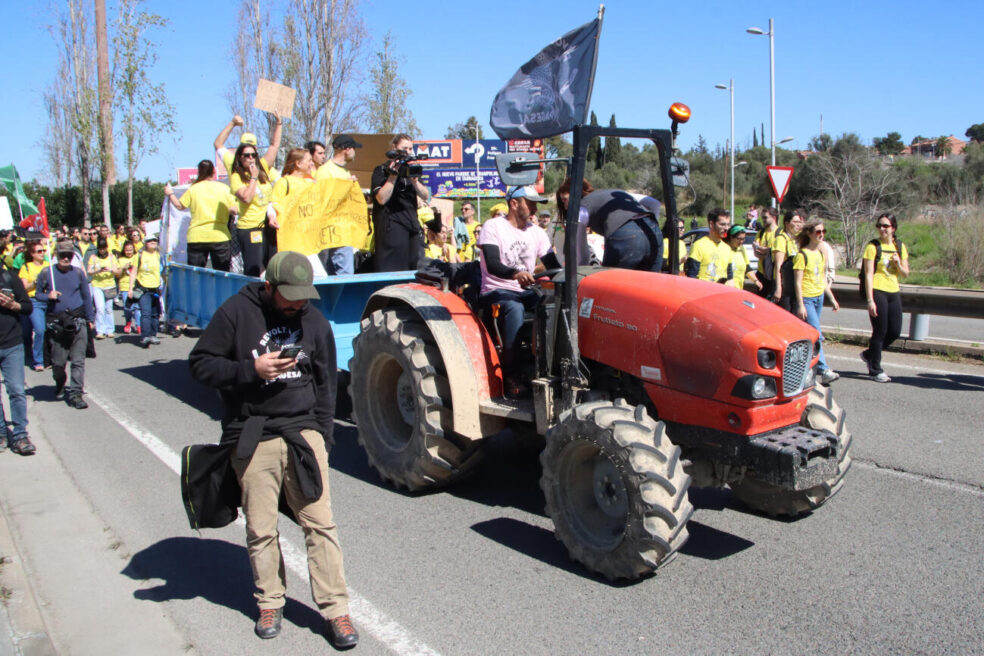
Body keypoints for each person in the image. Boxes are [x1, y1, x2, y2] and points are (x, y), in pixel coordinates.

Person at [188, 251, 358, 648]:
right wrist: (251, 371)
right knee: (261, 528)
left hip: (304, 435)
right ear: (269, 287)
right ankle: (270, 601)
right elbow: (200, 364)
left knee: (320, 524)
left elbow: (326, 384)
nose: (299, 304)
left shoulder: (313, 321)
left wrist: (324, 437)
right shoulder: (236, 312)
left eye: (304, 297)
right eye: (291, 297)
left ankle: (336, 611)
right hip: (254, 435)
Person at [478, 185, 561, 397]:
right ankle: (511, 374)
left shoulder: (536, 232)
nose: (534, 209)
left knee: (555, 303)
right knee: (514, 309)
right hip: (497, 290)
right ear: (514, 204)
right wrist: (516, 274)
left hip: (526, 290)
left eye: (535, 205)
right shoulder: (493, 226)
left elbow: (553, 265)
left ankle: (550, 365)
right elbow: (493, 264)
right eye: (530, 204)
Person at [34, 239, 94, 410]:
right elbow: (38, 295)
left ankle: (76, 393)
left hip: (77, 320)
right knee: (59, 363)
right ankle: (60, 382)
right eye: (62, 255)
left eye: (69, 255)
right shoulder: (47, 273)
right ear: (56, 255)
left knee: (78, 361)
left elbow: (86, 297)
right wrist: (48, 296)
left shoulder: (78, 273)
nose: (66, 258)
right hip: (57, 323)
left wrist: (90, 319)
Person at [371, 134, 431, 272]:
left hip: (412, 226)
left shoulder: (410, 171)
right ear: (394, 148)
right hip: (391, 227)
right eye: (404, 148)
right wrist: (393, 175)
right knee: (393, 269)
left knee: (414, 268)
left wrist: (414, 181)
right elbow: (381, 199)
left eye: (410, 149)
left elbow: (426, 195)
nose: (408, 152)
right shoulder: (381, 170)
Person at [860, 213, 909, 383]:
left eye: (886, 226)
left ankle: (869, 354)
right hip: (878, 290)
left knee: (894, 331)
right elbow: (868, 275)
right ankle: (875, 369)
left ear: (893, 228)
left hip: (893, 291)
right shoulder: (872, 247)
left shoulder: (900, 246)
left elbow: (906, 274)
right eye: (879, 225)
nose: (882, 229)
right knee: (880, 331)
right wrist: (870, 300)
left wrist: (898, 263)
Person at [164, 160, 235, 272]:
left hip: (196, 237)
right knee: (222, 274)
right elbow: (234, 209)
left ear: (199, 172)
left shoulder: (193, 189)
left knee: (196, 275)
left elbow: (179, 206)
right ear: (214, 171)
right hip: (219, 235)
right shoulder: (224, 189)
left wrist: (170, 193)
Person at [793, 219, 840, 384]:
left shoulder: (820, 253)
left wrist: (832, 298)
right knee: (817, 334)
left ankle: (805, 369)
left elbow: (822, 279)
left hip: (819, 296)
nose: (821, 235)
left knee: (811, 336)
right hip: (807, 299)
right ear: (809, 233)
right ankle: (824, 369)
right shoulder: (802, 255)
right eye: (817, 232)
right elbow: (797, 282)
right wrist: (800, 304)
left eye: (823, 232)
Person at [580, 188, 664, 272]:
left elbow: (581, 251)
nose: (566, 205)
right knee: (648, 283)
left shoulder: (581, 206)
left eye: (566, 200)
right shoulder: (611, 192)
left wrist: (580, 272)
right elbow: (654, 203)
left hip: (625, 232)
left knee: (611, 283)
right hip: (654, 231)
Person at [315, 135, 363, 274]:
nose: (355, 152)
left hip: (344, 230)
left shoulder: (344, 171)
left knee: (339, 273)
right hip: (332, 231)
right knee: (344, 274)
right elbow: (323, 201)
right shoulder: (325, 171)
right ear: (347, 149)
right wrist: (345, 186)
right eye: (354, 148)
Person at [0, 261, 34, 454]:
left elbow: (27, 307)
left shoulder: (9, 277)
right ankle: (1, 434)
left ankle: (21, 435)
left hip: (12, 344)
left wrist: (13, 304)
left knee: (17, 391)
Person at [230, 142, 275, 276]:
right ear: (239, 157)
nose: (251, 158)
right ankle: (253, 295)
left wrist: (278, 122)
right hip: (250, 228)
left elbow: (273, 147)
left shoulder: (263, 170)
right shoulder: (236, 177)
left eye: (254, 155)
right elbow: (247, 198)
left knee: (271, 267)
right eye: (247, 155)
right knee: (254, 269)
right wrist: (253, 177)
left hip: (267, 226)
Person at [214, 114, 282, 180]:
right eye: (246, 154)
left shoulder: (262, 165)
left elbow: (274, 146)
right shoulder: (232, 163)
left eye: (253, 154)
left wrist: (279, 122)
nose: (250, 157)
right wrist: (232, 123)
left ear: (255, 150)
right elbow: (218, 144)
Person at [18, 240, 49, 370]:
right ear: (32, 253)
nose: (42, 253)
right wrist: (36, 282)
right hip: (34, 301)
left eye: (43, 251)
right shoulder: (26, 267)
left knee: (50, 330)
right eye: (39, 251)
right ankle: (38, 360)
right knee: (38, 330)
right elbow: (24, 288)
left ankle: (49, 357)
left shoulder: (49, 265)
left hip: (49, 299)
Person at [129, 235, 163, 347]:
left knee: (155, 314)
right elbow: (133, 272)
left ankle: (153, 335)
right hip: (143, 289)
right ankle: (145, 336)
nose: (153, 242)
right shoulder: (139, 255)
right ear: (145, 243)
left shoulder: (159, 255)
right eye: (150, 241)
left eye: (155, 240)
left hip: (156, 289)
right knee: (146, 313)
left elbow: (162, 272)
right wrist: (130, 289)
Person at [771, 208, 806, 311]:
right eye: (795, 222)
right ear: (787, 223)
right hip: (784, 285)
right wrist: (778, 288)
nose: (798, 225)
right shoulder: (781, 240)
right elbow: (778, 266)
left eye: (800, 222)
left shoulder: (796, 240)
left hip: (793, 283)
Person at [685, 208, 733, 283]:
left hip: (722, 292)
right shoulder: (699, 246)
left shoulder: (727, 248)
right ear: (711, 224)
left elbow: (730, 279)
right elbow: (691, 277)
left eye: (728, 224)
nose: (726, 228)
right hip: (705, 292)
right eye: (722, 224)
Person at [87, 237, 121, 339]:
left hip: (109, 285)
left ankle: (110, 329)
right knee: (100, 308)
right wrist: (97, 270)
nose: (102, 250)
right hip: (97, 285)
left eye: (103, 248)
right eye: (100, 248)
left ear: (106, 247)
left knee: (109, 308)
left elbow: (117, 271)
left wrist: (110, 270)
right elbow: (89, 271)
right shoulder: (93, 257)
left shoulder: (111, 257)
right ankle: (100, 330)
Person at [753, 207, 780, 298]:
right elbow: (756, 253)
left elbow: (778, 255)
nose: (763, 220)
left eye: (765, 217)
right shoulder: (761, 233)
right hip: (761, 275)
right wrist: (766, 252)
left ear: (774, 218)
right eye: (762, 217)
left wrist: (764, 250)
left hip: (774, 275)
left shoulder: (779, 234)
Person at [725, 225, 761, 291]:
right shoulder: (724, 249)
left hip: (739, 289)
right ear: (731, 237)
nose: (741, 241)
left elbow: (747, 268)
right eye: (738, 239)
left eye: (743, 239)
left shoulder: (742, 249)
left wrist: (755, 281)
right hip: (726, 288)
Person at [117, 241, 141, 334]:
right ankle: (128, 321)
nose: (129, 252)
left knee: (137, 307)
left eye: (130, 250)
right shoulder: (120, 259)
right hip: (125, 286)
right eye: (127, 250)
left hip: (136, 286)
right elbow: (117, 274)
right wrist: (123, 268)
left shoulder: (137, 257)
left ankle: (139, 325)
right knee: (128, 308)